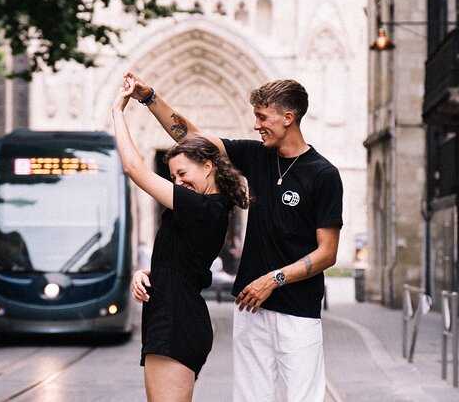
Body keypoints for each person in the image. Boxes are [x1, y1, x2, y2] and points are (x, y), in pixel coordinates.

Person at [124, 71, 343, 402]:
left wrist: (274, 279)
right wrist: (149, 97)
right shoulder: (258, 156)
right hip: (250, 307)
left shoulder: (323, 175)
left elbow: (328, 253)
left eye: (262, 116)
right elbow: (192, 140)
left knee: (304, 398)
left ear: (288, 117)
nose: (256, 125)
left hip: (297, 311)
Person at [112, 77, 250, 401]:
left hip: (175, 320)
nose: (177, 183)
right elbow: (181, 261)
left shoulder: (205, 207)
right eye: (173, 176)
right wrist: (146, 274)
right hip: (174, 314)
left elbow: (134, 168)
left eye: (183, 174)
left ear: (208, 167)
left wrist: (118, 112)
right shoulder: (206, 208)